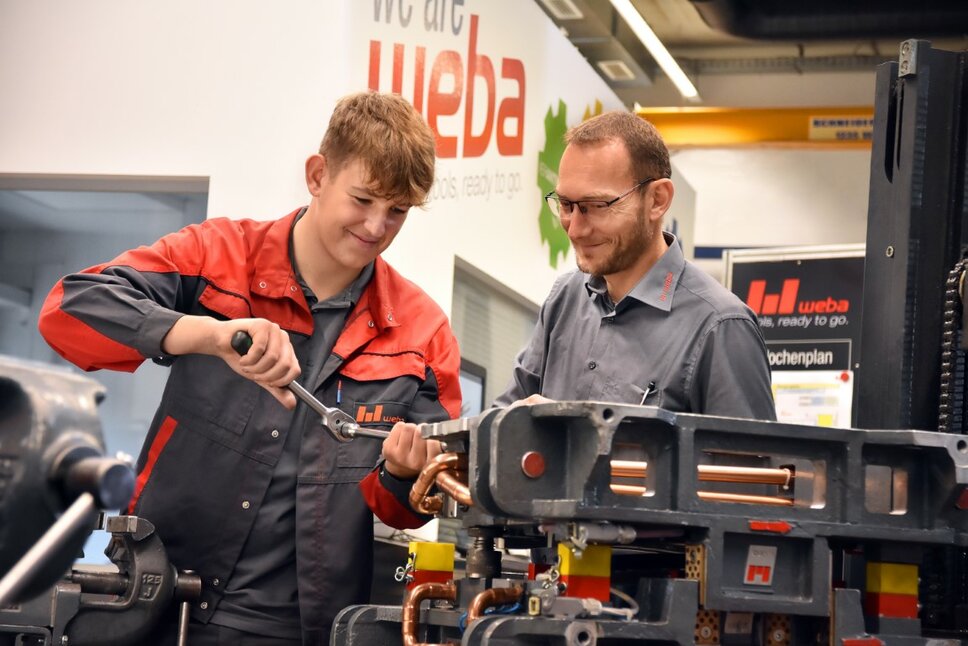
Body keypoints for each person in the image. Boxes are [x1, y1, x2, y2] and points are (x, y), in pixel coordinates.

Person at [38, 91, 459, 645]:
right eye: (363, 199)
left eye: (398, 211)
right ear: (317, 175)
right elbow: (68, 309)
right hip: (157, 605)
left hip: (302, 628)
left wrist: (403, 475)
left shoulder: (422, 332)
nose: (377, 226)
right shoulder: (218, 256)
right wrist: (209, 336)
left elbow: (415, 507)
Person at [494, 110, 776, 420]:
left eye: (596, 206)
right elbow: (501, 420)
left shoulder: (721, 327)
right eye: (566, 205)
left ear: (657, 200)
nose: (575, 229)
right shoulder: (565, 298)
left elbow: (746, 453)